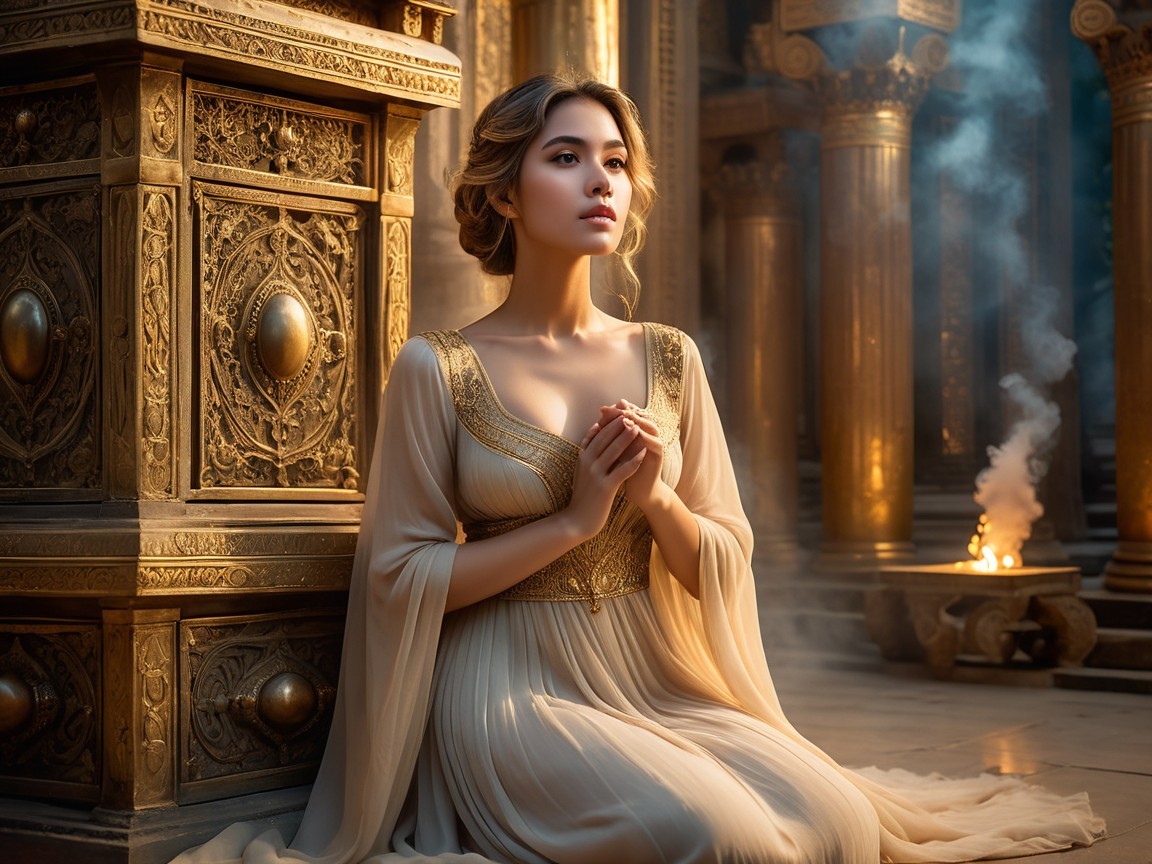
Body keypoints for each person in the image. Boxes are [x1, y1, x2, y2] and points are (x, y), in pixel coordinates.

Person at [173, 74, 1105, 864]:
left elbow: (725, 559)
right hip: (507, 681)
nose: (600, 183)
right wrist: (572, 522)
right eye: (566, 157)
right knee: (715, 835)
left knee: (841, 824)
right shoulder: (436, 367)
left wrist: (655, 499)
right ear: (504, 193)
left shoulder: (669, 358)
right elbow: (402, 576)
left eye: (615, 161)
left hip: (652, 667)